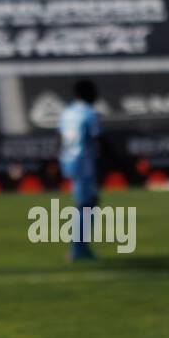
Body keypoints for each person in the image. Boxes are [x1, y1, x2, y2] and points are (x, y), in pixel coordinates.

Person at [58, 80, 102, 261]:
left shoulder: (67, 113)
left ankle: (80, 247)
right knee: (86, 205)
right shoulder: (89, 113)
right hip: (84, 162)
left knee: (86, 204)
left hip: (68, 160)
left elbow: (60, 138)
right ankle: (78, 249)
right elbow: (98, 138)